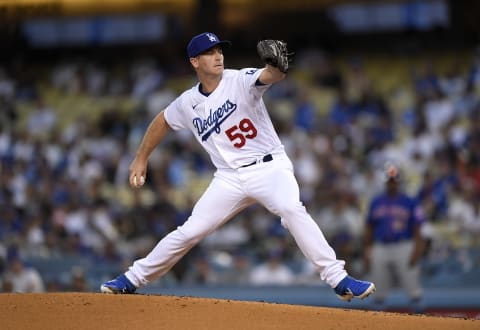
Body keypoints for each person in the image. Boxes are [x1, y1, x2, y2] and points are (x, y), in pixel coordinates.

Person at [100, 32, 375, 302]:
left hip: (269, 167)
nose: (218, 55)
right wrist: (141, 157)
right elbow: (162, 120)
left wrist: (276, 66)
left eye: (219, 50)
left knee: (291, 209)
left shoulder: (239, 79)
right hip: (228, 178)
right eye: (210, 52)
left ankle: (338, 279)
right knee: (191, 230)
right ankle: (131, 279)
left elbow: (271, 76)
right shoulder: (187, 102)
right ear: (195, 62)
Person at [363, 163, 426, 311]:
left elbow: (418, 228)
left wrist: (417, 250)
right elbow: (369, 228)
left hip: (403, 246)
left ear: (399, 181)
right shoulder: (376, 201)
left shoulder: (410, 201)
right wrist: (367, 250)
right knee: (377, 292)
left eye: (394, 180)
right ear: (385, 182)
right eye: (389, 180)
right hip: (380, 247)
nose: (392, 183)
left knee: (414, 291)